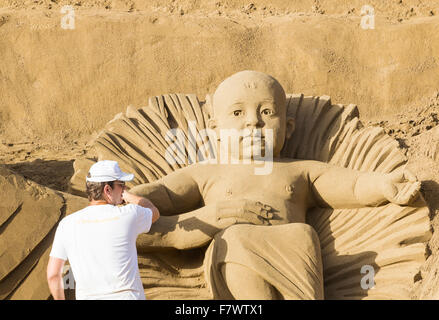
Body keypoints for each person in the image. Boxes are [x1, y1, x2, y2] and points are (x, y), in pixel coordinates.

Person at [128, 70, 421, 299]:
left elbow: (353, 186)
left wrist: (384, 184)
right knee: (237, 239)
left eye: (267, 112)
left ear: (288, 128)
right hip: (235, 251)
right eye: (238, 113)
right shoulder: (207, 173)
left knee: (302, 235)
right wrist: (130, 200)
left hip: (294, 252)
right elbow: (160, 195)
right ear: (216, 130)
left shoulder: (298, 170)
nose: (253, 122)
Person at [46, 160, 160, 300]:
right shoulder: (129, 214)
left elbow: (52, 275)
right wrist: (128, 196)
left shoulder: (67, 224)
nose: (124, 189)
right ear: (107, 190)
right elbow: (154, 211)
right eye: (121, 185)